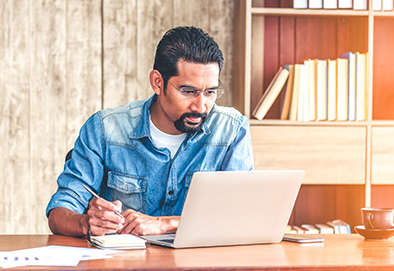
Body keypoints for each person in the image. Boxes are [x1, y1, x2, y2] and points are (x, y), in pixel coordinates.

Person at [46, 26, 254, 237]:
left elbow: (241, 216)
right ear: (157, 82)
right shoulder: (104, 129)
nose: (201, 107)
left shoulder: (232, 130)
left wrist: (166, 224)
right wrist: (86, 223)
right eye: (188, 91)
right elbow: (59, 214)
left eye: (210, 92)